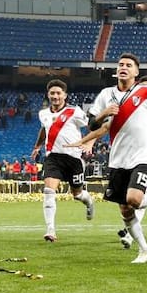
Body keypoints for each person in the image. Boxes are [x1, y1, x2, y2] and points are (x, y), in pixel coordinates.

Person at [88, 53, 147, 263]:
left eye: (128, 65)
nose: (123, 67)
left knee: (134, 199)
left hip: (144, 156)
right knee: (125, 208)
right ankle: (145, 250)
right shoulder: (105, 94)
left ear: (136, 72)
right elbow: (92, 125)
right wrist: (104, 113)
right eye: (121, 64)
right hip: (118, 158)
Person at [31, 79, 95, 242]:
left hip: (73, 159)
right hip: (53, 158)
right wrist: (37, 146)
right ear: (48, 95)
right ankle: (50, 230)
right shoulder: (43, 114)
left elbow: (92, 126)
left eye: (58, 93)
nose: (55, 96)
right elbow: (44, 130)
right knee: (48, 191)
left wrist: (89, 142)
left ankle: (89, 202)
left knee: (77, 194)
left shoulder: (75, 111)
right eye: (52, 93)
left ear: (65, 95)